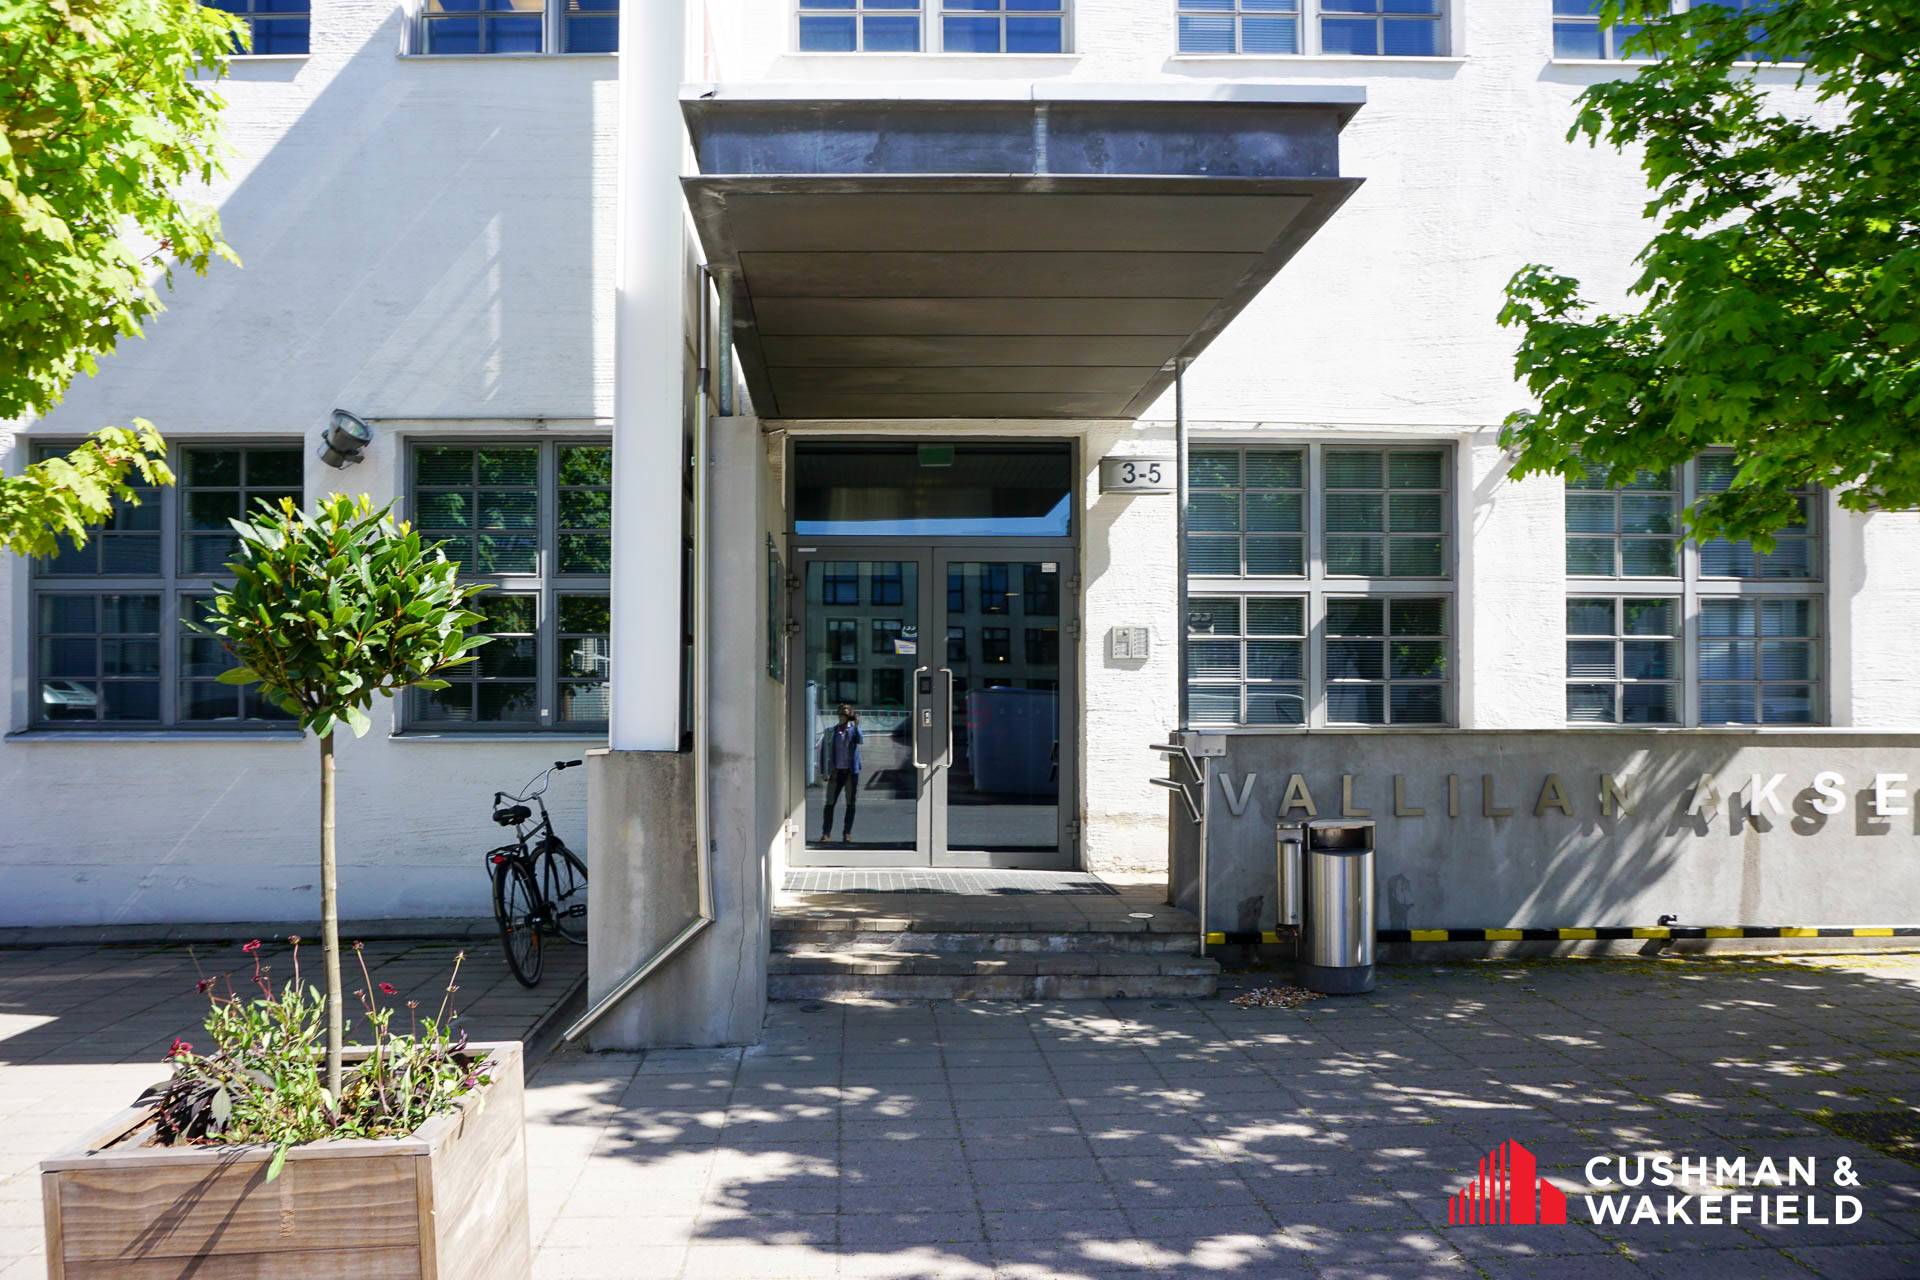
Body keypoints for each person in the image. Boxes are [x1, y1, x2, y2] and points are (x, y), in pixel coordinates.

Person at [818, 704, 863, 844]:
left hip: (851, 772)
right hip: (836, 772)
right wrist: (824, 771)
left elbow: (860, 740)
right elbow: (824, 752)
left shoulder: (854, 730)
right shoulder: (831, 732)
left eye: (847, 714)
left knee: (850, 803)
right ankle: (826, 833)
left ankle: (847, 833)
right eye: (842, 714)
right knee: (830, 803)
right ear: (838, 715)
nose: (843, 717)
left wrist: (857, 725)